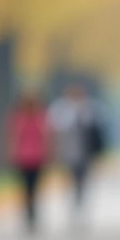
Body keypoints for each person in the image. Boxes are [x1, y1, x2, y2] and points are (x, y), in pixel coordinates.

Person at [48, 83, 105, 227]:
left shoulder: (90, 109)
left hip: (85, 154)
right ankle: (71, 204)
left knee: (82, 181)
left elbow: (96, 132)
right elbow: (55, 129)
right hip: (67, 154)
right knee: (69, 181)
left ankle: (79, 204)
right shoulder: (60, 109)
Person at [4, 91, 50, 233]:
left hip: (37, 158)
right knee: (26, 188)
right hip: (23, 159)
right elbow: (12, 137)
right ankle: (29, 212)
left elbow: (47, 137)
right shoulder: (19, 118)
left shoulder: (40, 117)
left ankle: (32, 212)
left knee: (33, 188)